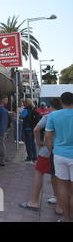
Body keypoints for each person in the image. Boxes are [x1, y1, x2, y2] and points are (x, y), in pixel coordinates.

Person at [19, 98, 63, 215]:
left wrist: (38, 143)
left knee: (39, 173)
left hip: (46, 151)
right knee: (57, 176)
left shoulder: (49, 116)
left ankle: (34, 201)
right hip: (61, 151)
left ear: (50, 106)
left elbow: (36, 130)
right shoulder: (66, 116)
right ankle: (59, 204)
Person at [45, 92, 73, 222]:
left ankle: (66, 218)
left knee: (62, 186)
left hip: (59, 154)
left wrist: (52, 150)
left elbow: (48, 136)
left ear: (61, 102)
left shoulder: (53, 115)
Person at [21, 99, 37, 163]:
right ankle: (34, 157)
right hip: (32, 128)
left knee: (28, 143)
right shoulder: (33, 109)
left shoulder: (25, 110)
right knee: (32, 143)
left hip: (27, 128)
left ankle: (29, 157)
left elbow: (21, 117)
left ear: (26, 103)